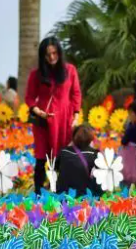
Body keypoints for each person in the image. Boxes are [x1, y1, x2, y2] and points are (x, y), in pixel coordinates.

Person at [25, 36, 82, 194]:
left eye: (54, 53)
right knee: (41, 157)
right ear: (42, 56)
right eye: (47, 54)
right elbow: (29, 97)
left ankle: (60, 191)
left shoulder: (70, 70)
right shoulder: (36, 74)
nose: (51, 57)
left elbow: (76, 94)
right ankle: (38, 192)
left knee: (61, 156)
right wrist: (38, 111)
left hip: (64, 120)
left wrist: (75, 117)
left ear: (59, 53)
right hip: (43, 121)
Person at [55, 125, 100, 196]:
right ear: (90, 139)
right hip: (84, 195)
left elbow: (56, 168)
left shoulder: (63, 151)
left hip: (62, 195)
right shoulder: (94, 154)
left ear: (74, 136)